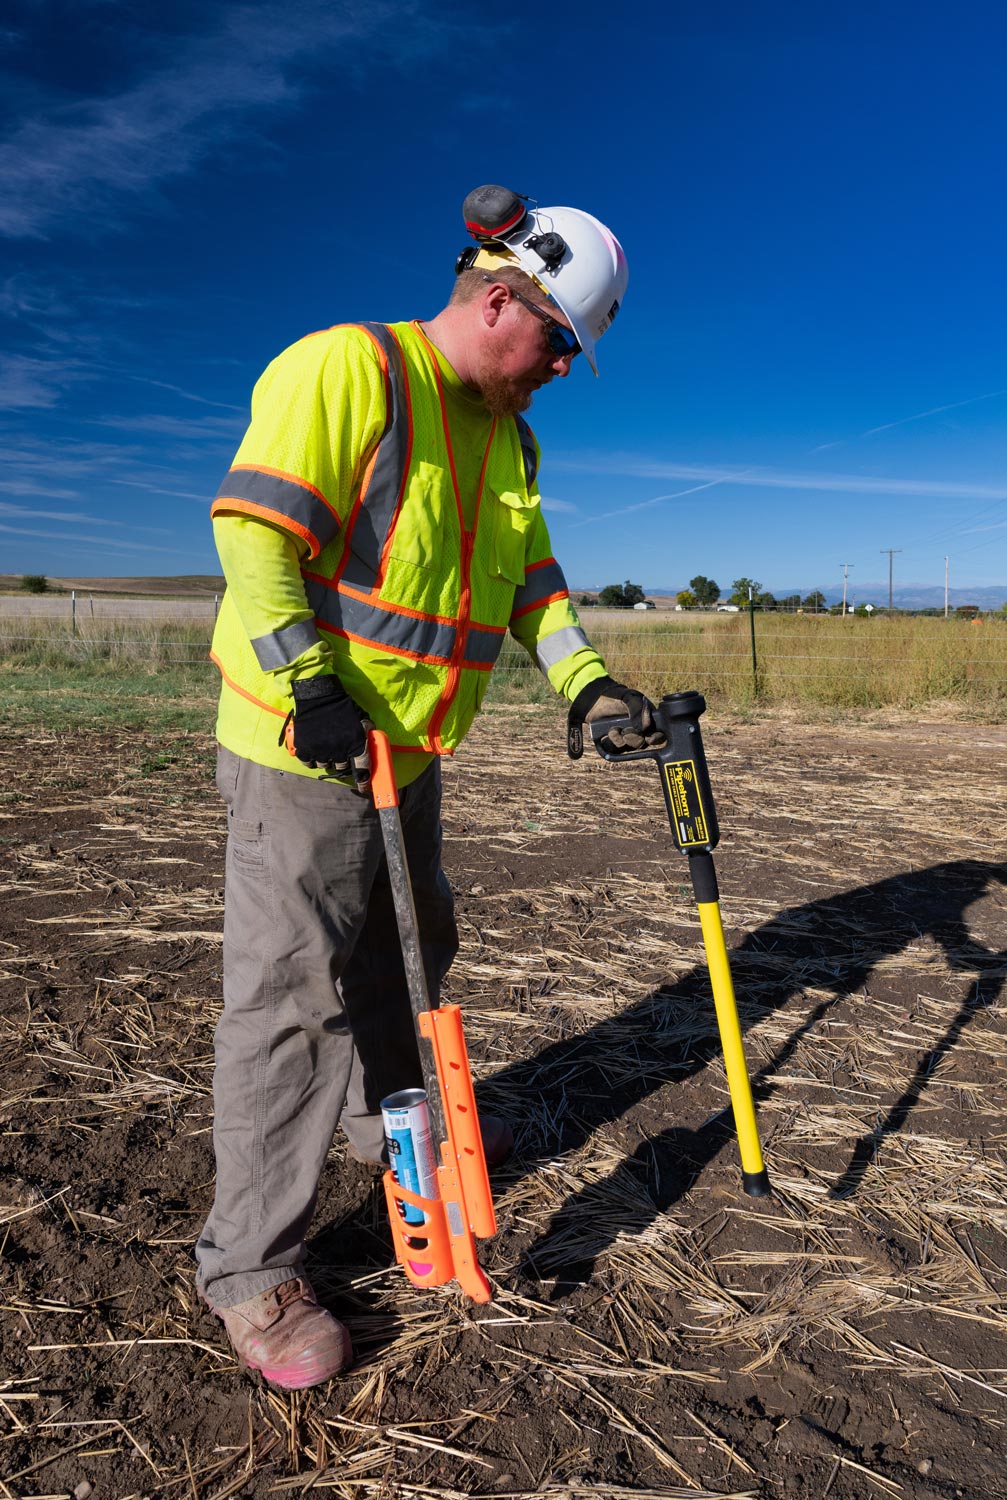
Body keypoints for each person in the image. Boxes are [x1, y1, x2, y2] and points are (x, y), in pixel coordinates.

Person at [195, 185, 663, 1390]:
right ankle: (251, 1271)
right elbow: (254, 532)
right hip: (302, 746)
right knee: (291, 996)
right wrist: (307, 679)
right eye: (557, 343)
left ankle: (384, 1129)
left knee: (406, 956)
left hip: (409, 750)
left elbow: (531, 582)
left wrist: (585, 681)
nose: (559, 370)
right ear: (499, 299)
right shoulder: (350, 369)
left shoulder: (507, 437)